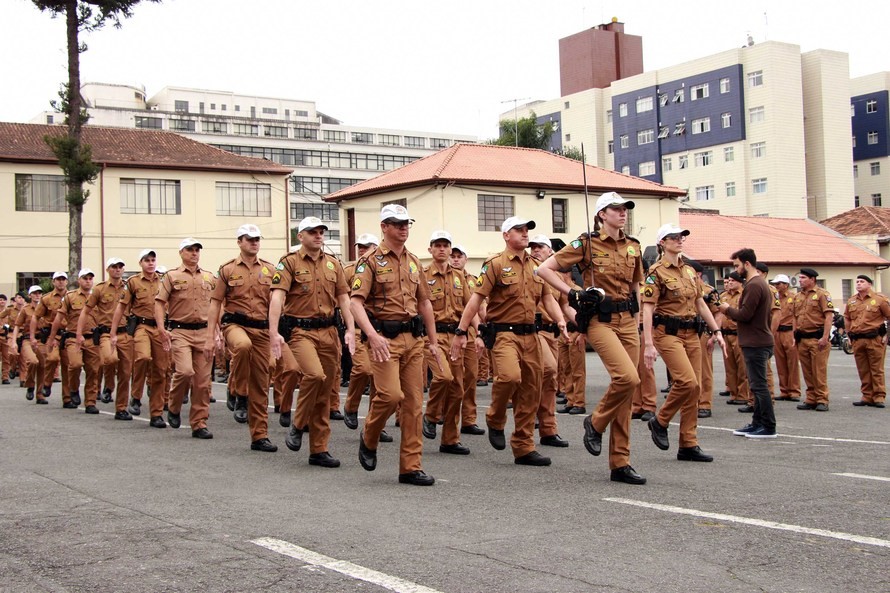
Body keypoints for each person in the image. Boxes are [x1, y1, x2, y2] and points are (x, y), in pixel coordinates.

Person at [539, 192, 646, 484]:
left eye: (625, 208)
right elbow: (544, 268)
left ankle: (620, 463)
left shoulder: (634, 247)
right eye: (615, 209)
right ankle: (595, 422)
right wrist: (572, 293)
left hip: (628, 321)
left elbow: (637, 288)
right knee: (627, 378)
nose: (622, 212)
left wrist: (638, 325)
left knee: (625, 392)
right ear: (602, 215)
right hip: (601, 320)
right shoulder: (586, 244)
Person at [452, 216, 566, 467]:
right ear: (506, 235)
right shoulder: (494, 264)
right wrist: (462, 331)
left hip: (532, 335)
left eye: (526, 230)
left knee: (531, 389)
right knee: (509, 378)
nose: (525, 234)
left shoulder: (537, 265)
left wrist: (560, 320)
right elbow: (476, 298)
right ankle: (495, 417)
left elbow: (548, 298)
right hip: (504, 334)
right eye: (519, 230)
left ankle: (524, 447)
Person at [350, 204, 441, 485]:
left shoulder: (414, 261)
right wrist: (372, 335)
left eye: (406, 223)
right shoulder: (370, 261)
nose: (403, 227)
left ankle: (410, 467)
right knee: (390, 396)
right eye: (396, 223)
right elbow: (355, 303)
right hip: (384, 340)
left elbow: (425, 302)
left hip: (413, 340)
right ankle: (370, 434)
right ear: (384, 227)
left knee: (414, 405)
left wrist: (433, 341)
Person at [270, 217, 355, 467]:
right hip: (300, 331)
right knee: (314, 376)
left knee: (326, 391)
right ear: (300, 236)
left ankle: (319, 449)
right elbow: (277, 298)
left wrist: (350, 329)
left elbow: (344, 298)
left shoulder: (333, 264)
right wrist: (274, 332)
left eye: (321, 231)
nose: (318, 235)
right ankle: (298, 423)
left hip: (328, 331)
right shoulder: (289, 263)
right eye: (312, 232)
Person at [642, 224, 725, 463]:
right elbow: (647, 309)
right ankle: (660, 420)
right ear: (662, 243)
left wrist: (716, 330)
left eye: (681, 237)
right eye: (673, 237)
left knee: (695, 388)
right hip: (668, 333)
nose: (679, 240)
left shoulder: (689, 271)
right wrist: (648, 343)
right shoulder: (655, 272)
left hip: (692, 333)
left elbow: (700, 303)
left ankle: (688, 443)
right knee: (686, 381)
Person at [207, 224, 278, 452]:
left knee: (260, 383)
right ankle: (237, 389)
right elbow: (216, 302)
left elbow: (277, 302)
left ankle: (259, 436)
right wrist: (212, 335)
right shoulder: (227, 269)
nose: (254, 243)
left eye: (257, 239)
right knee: (242, 346)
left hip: (262, 330)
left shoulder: (270, 269)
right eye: (249, 239)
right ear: (239, 242)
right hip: (235, 325)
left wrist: (277, 332)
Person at [421, 230, 476, 455]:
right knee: (443, 376)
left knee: (457, 389)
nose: (443, 249)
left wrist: (472, 332)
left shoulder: (459, 276)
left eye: (446, 245)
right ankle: (432, 414)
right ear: (431, 250)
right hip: (432, 336)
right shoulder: (423, 275)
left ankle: (450, 440)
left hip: (455, 335)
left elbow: (469, 306)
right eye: (438, 245)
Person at [155, 238, 217, 439]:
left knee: (202, 382)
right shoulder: (171, 276)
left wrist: (217, 331)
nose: (194, 253)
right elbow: (159, 303)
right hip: (180, 331)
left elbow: (217, 304)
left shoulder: (208, 277)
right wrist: (162, 329)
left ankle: (199, 423)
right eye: (190, 250)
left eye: (197, 250)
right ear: (181, 252)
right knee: (184, 371)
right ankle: (173, 406)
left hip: (204, 331)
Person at [719, 248, 777, 438]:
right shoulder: (756, 284)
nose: (736, 270)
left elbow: (745, 315)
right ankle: (757, 423)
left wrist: (727, 309)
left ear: (747, 264)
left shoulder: (754, 285)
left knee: (759, 386)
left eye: (737, 265)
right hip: (756, 340)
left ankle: (768, 426)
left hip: (756, 342)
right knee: (756, 385)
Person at [342, 233, 392, 444]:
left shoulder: (385, 266)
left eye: (366, 246)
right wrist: (348, 328)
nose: (362, 250)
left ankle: (374, 424)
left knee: (379, 381)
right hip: (357, 329)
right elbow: (344, 300)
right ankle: (351, 405)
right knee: (364, 369)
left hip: (381, 330)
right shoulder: (349, 271)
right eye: (359, 247)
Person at [111, 249, 169, 427]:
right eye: (146, 260)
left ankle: (156, 414)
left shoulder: (164, 281)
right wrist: (113, 333)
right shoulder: (133, 282)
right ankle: (136, 396)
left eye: (153, 260)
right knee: (143, 357)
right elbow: (121, 308)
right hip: (142, 326)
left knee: (161, 370)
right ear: (140, 263)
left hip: (159, 328)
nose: (150, 263)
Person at [79, 257, 133, 420]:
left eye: (120, 267)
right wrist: (79, 333)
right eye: (114, 267)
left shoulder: (129, 287)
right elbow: (85, 311)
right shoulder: (100, 289)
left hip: (126, 333)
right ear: (108, 269)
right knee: (109, 360)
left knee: (125, 373)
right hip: (106, 333)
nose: (118, 269)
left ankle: (121, 408)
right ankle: (108, 386)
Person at [48, 269, 99, 411]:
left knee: (93, 371)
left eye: (90, 278)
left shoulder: (98, 295)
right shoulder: (70, 297)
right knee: (75, 364)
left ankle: (90, 402)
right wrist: (52, 338)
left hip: (93, 338)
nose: (88, 281)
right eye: (85, 278)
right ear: (79, 280)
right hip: (73, 338)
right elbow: (58, 318)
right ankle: (74, 389)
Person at [448, 244, 486, 436]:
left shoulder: (474, 281)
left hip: (470, 334)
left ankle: (469, 419)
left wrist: (482, 332)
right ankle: (445, 416)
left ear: (466, 259)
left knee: (471, 376)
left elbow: (480, 308)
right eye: (452, 256)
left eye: (459, 256)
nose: (455, 259)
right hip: (450, 334)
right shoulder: (444, 278)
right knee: (453, 379)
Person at [844, 274, 890, 408]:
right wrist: (849, 335)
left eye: (862, 281)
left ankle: (879, 396)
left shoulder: (880, 299)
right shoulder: (852, 301)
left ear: (869, 284)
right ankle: (867, 396)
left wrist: (887, 335)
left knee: (876, 369)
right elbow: (847, 318)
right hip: (858, 339)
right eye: (857, 281)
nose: (858, 284)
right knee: (863, 369)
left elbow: (888, 316)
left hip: (874, 338)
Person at [792, 268, 833, 412]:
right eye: (800, 278)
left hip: (817, 338)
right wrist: (794, 334)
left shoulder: (822, 294)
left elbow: (828, 316)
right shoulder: (798, 297)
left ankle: (822, 399)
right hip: (803, 338)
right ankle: (811, 398)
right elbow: (794, 317)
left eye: (803, 278)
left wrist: (825, 337)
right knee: (807, 371)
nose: (800, 280)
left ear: (812, 279)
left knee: (819, 371)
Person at [687, 260, 719, 419]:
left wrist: (715, 333)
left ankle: (705, 403)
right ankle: (692, 402)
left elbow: (718, 312)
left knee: (705, 370)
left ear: (698, 274)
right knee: (688, 371)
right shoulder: (686, 288)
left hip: (703, 333)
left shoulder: (709, 291)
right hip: (687, 333)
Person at [31, 272, 70, 401]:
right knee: (52, 359)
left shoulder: (72, 297)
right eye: (58, 279)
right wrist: (32, 336)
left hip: (67, 335)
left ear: (67, 281)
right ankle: (47, 383)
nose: (61, 282)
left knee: (68, 365)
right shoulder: (47, 298)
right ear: (53, 282)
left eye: (63, 279)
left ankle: (67, 398)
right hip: (51, 336)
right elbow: (35, 317)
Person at [718, 272, 750, 408]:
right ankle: (734, 393)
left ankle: (743, 395)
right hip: (726, 334)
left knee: (742, 366)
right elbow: (719, 314)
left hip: (739, 333)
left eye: (732, 280)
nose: (729, 283)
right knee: (729, 366)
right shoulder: (723, 296)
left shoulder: (744, 294)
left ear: (739, 282)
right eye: (728, 280)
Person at [770, 274, 801, 402]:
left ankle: (794, 391)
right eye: (775, 284)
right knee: (780, 362)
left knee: (792, 362)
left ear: (786, 285)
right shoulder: (774, 298)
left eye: (779, 284)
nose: (776, 286)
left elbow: (797, 315)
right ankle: (784, 390)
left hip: (789, 331)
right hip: (777, 332)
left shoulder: (794, 298)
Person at [13, 286, 45, 403]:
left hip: (42, 340)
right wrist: (13, 342)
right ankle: (30, 384)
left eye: (39, 293)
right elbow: (17, 325)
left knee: (42, 366)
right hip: (27, 339)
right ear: (30, 295)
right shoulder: (25, 309)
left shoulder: (45, 308)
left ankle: (40, 394)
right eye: (34, 293)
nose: (37, 295)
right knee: (33, 361)